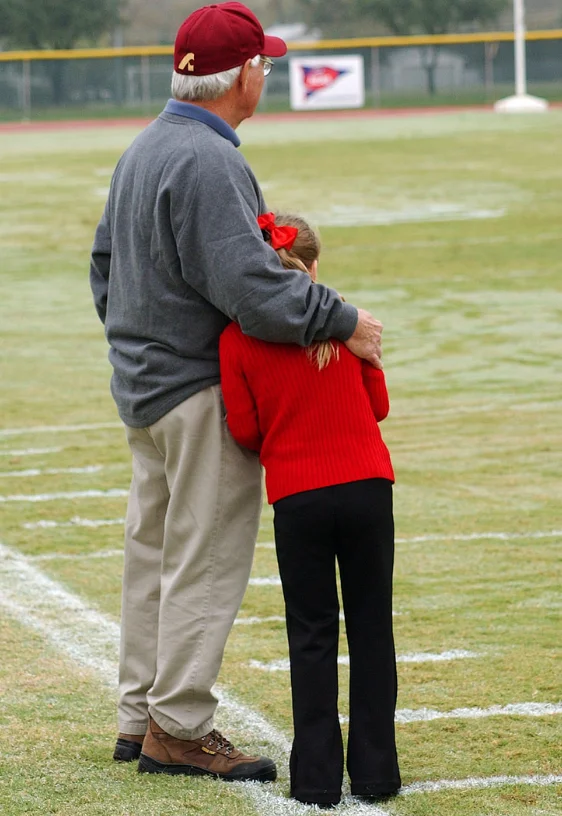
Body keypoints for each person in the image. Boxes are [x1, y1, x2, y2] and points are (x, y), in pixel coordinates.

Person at [90, 1, 385, 784]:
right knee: (203, 560)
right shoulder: (210, 159)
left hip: (145, 389)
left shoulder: (144, 147)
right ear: (245, 74)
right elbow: (255, 290)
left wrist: (136, 351)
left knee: (151, 555)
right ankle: (177, 727)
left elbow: (103, 269)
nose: (267, 75)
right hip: (194, 392)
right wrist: (344, 319)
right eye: (265, 64)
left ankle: (137, 715)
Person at [219, 212, 402, 807]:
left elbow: (245, 430)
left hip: (298, 495)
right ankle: (377, 773)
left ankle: (318, 779)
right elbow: (377, 405)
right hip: (368, 485)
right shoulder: (348, 321)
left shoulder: (236, 336)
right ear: (314, 266)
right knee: (372, 627)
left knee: (313, 633)